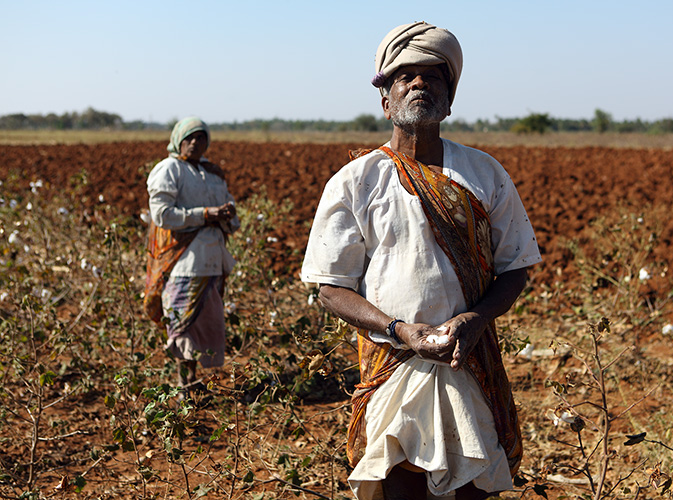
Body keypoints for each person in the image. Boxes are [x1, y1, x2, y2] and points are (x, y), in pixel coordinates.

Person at [300, 22, 542, 500]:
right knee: (398, 483)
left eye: (433, 75)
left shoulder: (484, 173)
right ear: (385, 99)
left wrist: (475, 319)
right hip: (394, 359)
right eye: (404, 75)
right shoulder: (355, 181)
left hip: (465, 359)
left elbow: (516, 267)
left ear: (450, 98)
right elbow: (330, 286)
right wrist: (399, 330)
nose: (418, 83)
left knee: (472, 483)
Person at [144, 117, 240, 398]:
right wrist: (205, 215)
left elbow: (230, 211)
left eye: (201, 138)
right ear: (178, 140)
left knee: (206, 323)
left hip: (212, 260)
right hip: (183, 262)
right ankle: (185, 385)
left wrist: (227, 216)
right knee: (182, 323)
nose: (196, 143)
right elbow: (162, 215)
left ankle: (195, 381)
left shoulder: (211, 173)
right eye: (190, 138)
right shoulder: (168, 170)